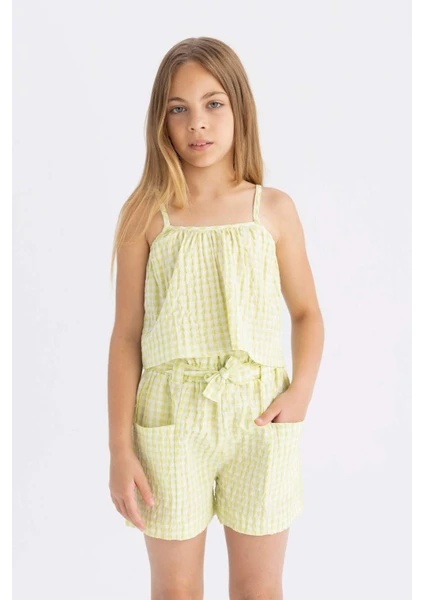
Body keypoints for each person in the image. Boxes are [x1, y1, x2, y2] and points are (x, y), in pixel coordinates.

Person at [107, 36, 324, 599]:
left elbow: (306, 313)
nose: (196, 123)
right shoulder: (145, 215)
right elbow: (126, 337)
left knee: (258, 587)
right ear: (161, 121)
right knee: (175, 589)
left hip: (260, 418)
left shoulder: (272, 209)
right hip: (170, 422)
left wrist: (300, 392)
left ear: (239, 109)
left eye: (213, 103)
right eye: (178, 108)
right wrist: (119, 449)